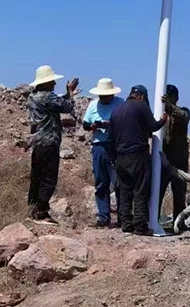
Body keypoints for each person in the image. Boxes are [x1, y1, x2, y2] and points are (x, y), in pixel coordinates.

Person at [109, 84, 168, 235]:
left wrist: (114, 158)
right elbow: (153, 127)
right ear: (142, 96)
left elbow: (111, 138)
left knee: (125, 191)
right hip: (137, 155)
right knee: (140, 190)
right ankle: (140, 226)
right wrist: (163, 120)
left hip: (120, 156)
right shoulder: (141, 106)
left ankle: (126, 223)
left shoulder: (116, 110)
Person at [26, 65, 79, 221]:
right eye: (52, 81)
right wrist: (70, 93)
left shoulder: (32, 97)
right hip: (50, 141)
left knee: (36, 176)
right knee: (49, 178)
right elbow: (66, 106)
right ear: (47, 82)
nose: (54, 84)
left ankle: (32, 208)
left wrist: (65, 95)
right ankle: (41, 212)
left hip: (37, 142)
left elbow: (54, 104)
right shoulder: (49, 97)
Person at [82, 77, 124, 228]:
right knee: (101, 182)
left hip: (116, 146)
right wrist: (93, 126)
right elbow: (85, 124)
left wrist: (110, 124)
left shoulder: (121, 104)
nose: (103, 98)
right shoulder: (93, 105)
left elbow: (126, 122)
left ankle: (123, 216)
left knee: (119, 182)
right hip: (99, 145)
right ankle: (103, 216)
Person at [159, 85, 190, 222]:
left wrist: (169, 106)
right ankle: (153, 220)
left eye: (170, 97)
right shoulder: (160, 115)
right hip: (163, 158)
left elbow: (182, 117)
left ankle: (178, 222)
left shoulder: (183, 111)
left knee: (179, 193)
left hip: (179, 160)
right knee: (157, 191)